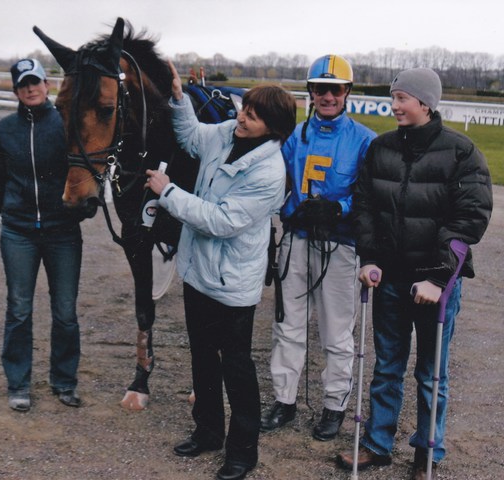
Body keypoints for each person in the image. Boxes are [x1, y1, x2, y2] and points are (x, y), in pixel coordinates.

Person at [337, 68, 492, 479]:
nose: (395, 106)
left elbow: (469, 219)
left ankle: (428, 451)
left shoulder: (461, 151)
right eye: (393, 97)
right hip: (388, 278)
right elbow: (365, 205)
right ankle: (377, 443)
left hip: (434, 284)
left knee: (431, 372)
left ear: (425, 103)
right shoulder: (381, 148)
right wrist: (368, 258)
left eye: (402, 98)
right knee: (387, 366)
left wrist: (439, 278)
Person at [144, 61, 296, 480]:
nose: (242, 115)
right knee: (202, 358)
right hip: (198, 273)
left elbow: (222, 222)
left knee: (237, 367)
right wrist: (178, 96)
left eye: (253, 113)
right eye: (244, 107)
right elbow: (193, 136)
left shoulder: (269, 171)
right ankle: (208, 431)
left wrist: (168, 192)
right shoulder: (227, 132)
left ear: (274, 128)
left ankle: (242, 453)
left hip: (232, 284)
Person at [260, 55, 376, 442]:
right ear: (310, 92)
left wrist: (337, 208)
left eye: (335, 89)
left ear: (347, 93)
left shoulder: (364, 140)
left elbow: (369, 198)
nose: (327, 96)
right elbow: (275, 183)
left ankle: (334, 406)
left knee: (336, 333)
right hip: (297, 241)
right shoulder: (295, 136)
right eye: (320, 88)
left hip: (339, 247)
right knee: (287, 326)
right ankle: (285, 400)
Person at [0, 58, 84, 412]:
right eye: (23, 85)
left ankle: (64, 381)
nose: (30, 89)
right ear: (15, 90)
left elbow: (84, 176)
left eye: (35, 82)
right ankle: (18, 384)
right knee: (19, 310)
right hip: (18, 233)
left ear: (47, 84)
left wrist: (83, 208)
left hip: (63, 233)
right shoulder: (4, 130)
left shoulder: (67, 124)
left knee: (65, 311)